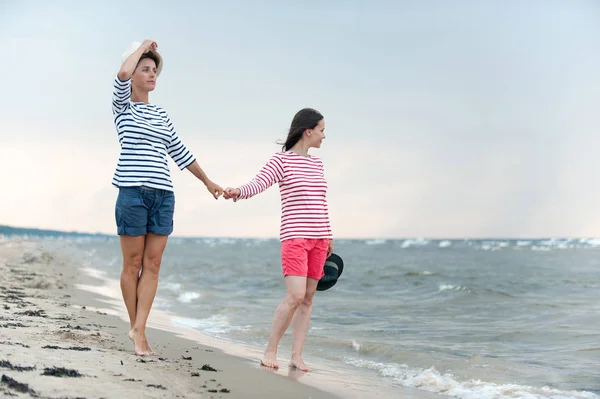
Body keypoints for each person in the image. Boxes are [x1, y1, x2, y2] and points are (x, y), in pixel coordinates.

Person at [112, 40, 223, 356]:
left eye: (154, 70)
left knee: (153, 264)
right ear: (133, 74)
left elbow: (180, 151)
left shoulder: (161, 114)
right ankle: (138, 332)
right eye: (144, 70)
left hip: (163, 195)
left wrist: (207, 182)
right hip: (132, 192)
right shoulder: (122, 107)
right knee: (132, 264)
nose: (151, 75)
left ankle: (139, 329)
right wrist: (143, 46)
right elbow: (121, 71)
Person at [223, 108, 333, 372]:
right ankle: (270, 350)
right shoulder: (281, 161)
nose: (324, 136)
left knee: (308, 299)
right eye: (321, 130)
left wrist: (329, 235)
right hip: (295, 238)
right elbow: (258, 183)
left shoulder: (317, 163)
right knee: (294, 295)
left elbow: (321, 201)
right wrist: (237, 191)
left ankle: (296, 355)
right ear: (308, 131)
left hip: (319, 238)